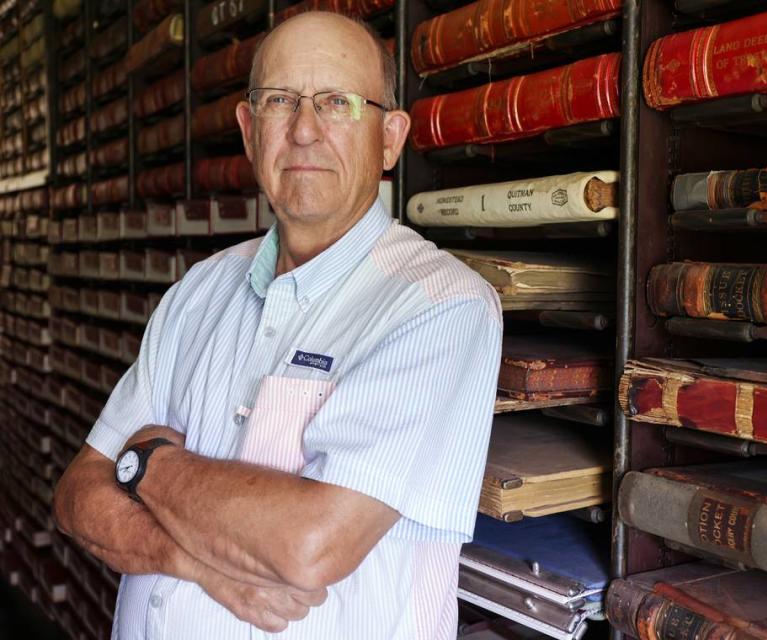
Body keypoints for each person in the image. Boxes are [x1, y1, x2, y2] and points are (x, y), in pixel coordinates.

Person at [52, 11, 502, 639]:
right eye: (280, 101)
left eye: (339, 103)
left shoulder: (439, 306)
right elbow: (78, 497)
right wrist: (196, 563)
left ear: (392, 138)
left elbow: (309, 548)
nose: (305, 130)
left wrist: (148, 462)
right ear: (247, 128)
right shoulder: (198, 290)